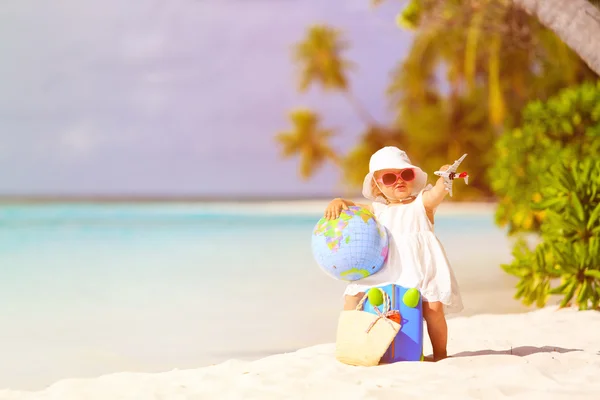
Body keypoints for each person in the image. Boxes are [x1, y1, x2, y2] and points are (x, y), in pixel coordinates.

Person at [324, 146, 463, 361]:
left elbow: (438, 193)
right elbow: (354, 207)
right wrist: (339, 201)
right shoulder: (379, 210)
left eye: (405, 175)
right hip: (388, 266)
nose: (399, 180)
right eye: (389, 178)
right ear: (377, 186)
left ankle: (441, 354)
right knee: (353, 295)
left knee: (433, 309)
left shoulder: (422, 203)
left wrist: (445, 177)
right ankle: (351, 344)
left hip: (422, 266)